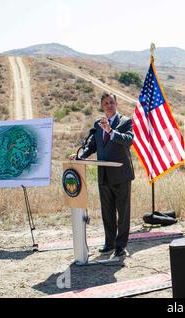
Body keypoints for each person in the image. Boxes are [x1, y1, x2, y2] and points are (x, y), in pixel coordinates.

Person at [70, 92, 135, 257]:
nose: (109, 105)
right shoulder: (98, 124)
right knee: (107, 212)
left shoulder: (126, 122)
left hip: (121, 174)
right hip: (104, 175)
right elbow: (92, 146)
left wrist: (111, 131)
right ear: (102, 106)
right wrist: (80, 156)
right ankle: (110, 243)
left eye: (111, 102)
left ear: (116, 104)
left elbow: (129, 140)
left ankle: (121, 246)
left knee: (123, 213)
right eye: (105, 103)